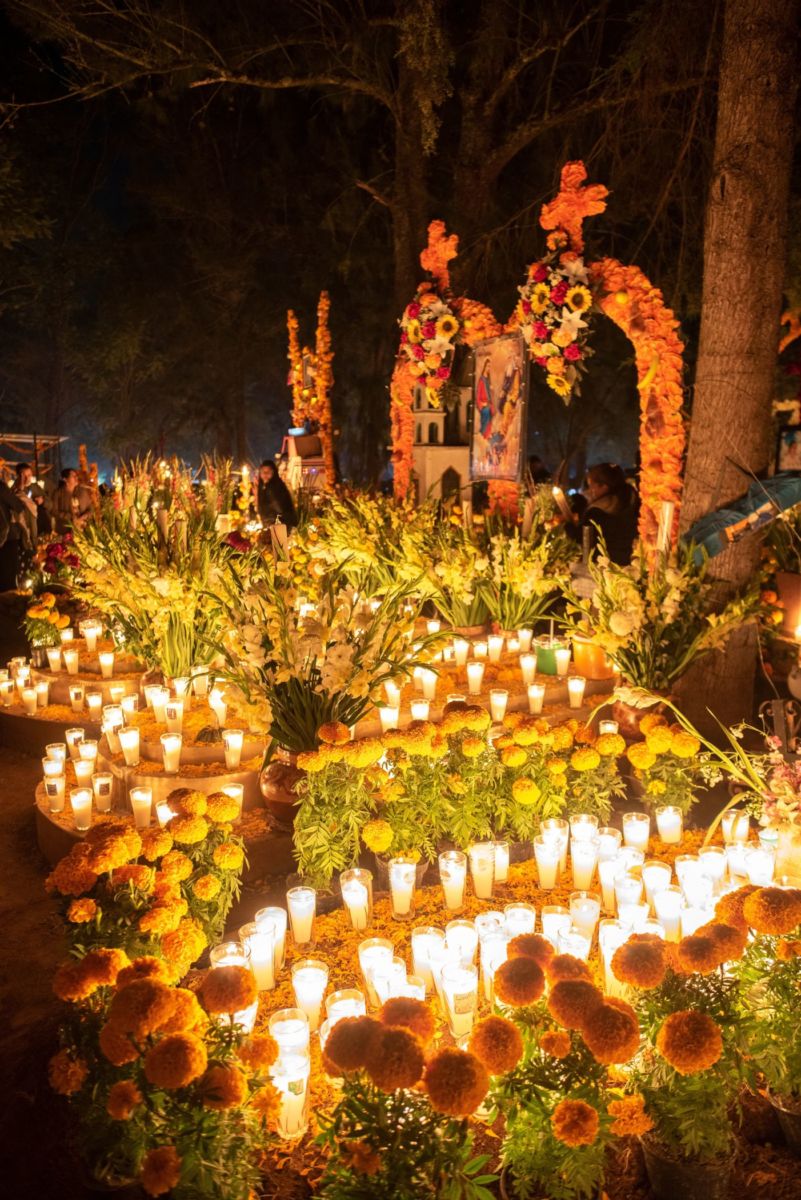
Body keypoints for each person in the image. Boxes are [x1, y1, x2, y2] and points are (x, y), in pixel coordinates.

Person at [570, 462, 639, 565]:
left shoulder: (598, 510)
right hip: (627, 561)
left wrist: (566, 525)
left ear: (604, 487)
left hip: (603, 564)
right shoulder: (628, 500)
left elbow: (582, 538)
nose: (590, 491)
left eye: (591, 486)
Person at [256, 460, 297, 529]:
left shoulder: (275, 487)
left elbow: (279, 509)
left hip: (279, 526)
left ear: (273, 472)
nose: (265, 474)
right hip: (273, 525)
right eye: (263, 471)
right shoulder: (264, 487)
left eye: (268, 471)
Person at [54, 467, 89, 534]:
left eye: (76, 476)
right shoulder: (58, 493)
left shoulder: (82, 492)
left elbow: (90, 508)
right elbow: (54, 511)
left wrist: (84, 516)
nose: (76, 478)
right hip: (65, 530)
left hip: (83, 528)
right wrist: (70, 517)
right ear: (65, 479)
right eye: (73, 476)